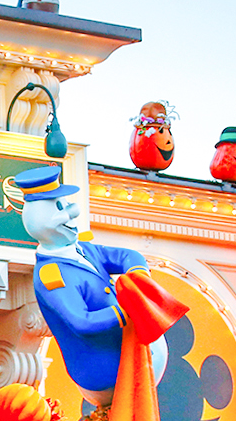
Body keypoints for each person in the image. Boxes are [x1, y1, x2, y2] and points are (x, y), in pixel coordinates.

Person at [19, 165, 185, 406]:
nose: (71, 213)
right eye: (59, 208)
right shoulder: (51, 275)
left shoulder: (83, 248)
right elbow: (81, 321)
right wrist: (127, 310)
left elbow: (126, 257)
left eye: (66, 204)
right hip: (105, 370)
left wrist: (138, 277)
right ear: (40, 221)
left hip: (130, 356)